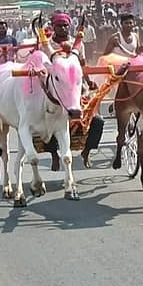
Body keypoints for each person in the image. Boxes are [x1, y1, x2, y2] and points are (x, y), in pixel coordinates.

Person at [43, 12, 105, 170]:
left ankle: (87, 151)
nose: (63, 28)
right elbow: (43, 68)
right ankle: (54, 155)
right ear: (53, 27)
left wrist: (89, 81)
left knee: (97, 121)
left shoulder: (78, 44)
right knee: (45, 121)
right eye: (59, 26)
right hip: (54, 90)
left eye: (65, 25)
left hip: (77, 89)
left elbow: (82, 66)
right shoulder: (47, 45)